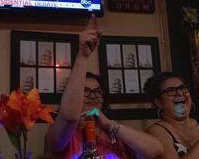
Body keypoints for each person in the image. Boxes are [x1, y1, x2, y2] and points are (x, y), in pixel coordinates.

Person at [46, 15, 163, 158]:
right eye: (86, 91)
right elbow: (70, 116)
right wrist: (83, 55)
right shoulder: (61, 133)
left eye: (97, 92)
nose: (93, 96)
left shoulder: (113, 131)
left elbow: (155, 150)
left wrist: (109, 125)